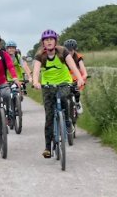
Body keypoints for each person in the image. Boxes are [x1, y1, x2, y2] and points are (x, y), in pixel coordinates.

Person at [31, 29, 85, 158]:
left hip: (64, 82)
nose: (49, 42)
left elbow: (72, 66)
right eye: (46, 40)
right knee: (49, 117)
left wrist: (80, 78)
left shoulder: (63, 52)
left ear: (55, 41)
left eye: (51, 39)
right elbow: (36, 71)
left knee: (63, 96)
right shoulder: (40, 55)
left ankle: (67, 121)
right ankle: (48, 148)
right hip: (48, 85)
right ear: (43, 42)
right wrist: (35, 82)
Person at [63, 39, 89, 114]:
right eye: (67, 51)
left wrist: (83, 78)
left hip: (75, 77)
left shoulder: (78, 57)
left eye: (71, 51)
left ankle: (77, 103)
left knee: (76, 91)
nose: (69, 53)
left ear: (74, 50)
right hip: (65, 77)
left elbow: (84, 72)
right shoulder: (62, 57)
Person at [5, 40, 27, 120]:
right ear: (6, 49)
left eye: (13, 48)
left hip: (18, 78)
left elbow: (23, 66)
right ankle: (8, 110)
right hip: (7, 78)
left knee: (19, 94)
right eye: (9, 48)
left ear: (15, 49)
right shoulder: (4, 57)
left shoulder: (18, 57)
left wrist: (27, 75)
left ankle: (17, 107)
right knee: (7, 95)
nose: (11, 49)